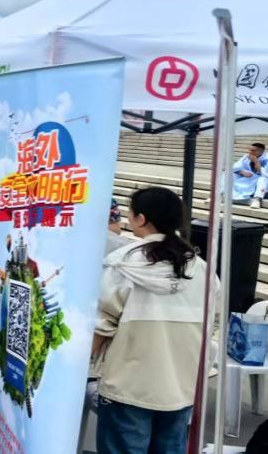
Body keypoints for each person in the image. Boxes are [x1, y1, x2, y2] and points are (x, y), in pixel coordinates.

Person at [93, 186, 212, 454]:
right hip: (182, 386)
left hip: (128, 386)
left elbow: (102, 324)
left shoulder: (123, 264)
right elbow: (210, 324)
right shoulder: (202, 270)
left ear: (141, 218)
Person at [232, 142, 268, 208]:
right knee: (232, 174)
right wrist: (242, 172)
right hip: (253, 179)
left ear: (261, 151)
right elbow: (235, 167)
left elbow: (267, 174)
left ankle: (257, 199)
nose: (250, 152)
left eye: (253, 150)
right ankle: (229, 193)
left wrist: (256, 161)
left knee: (262, 179)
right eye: (250, 150)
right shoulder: (247, 157)